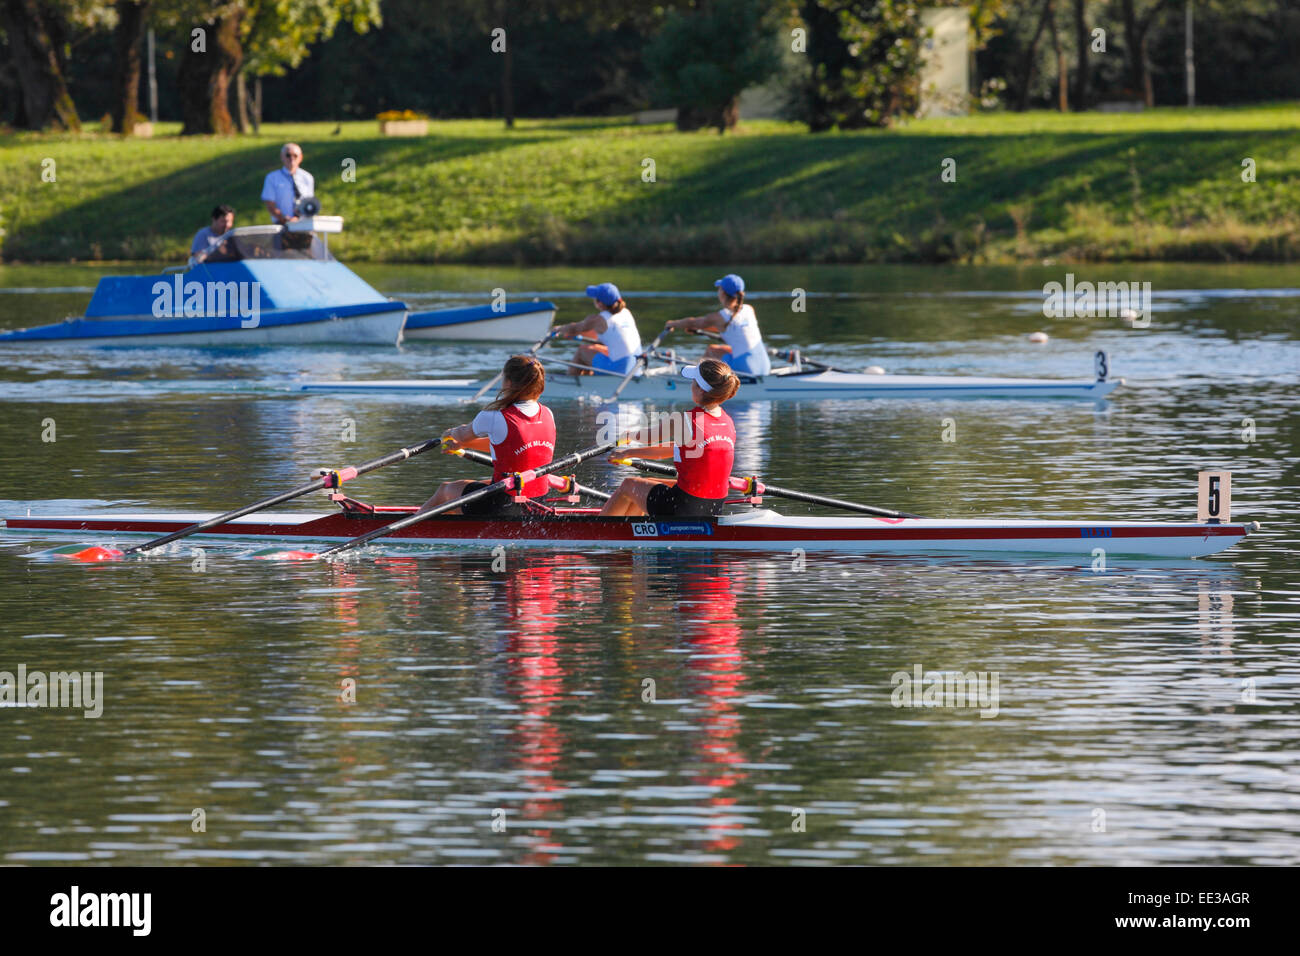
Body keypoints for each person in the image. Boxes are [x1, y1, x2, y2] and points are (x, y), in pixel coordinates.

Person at [600, 358, 739, 518]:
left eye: (693, 381)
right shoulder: (727, 421)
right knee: (650, 482)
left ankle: (599, 533)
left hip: (682, 508)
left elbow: (649, 436)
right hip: (714, 506)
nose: (691, 385)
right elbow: (677, 447)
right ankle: (632, 531)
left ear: (701, 390)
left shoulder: (685, 420)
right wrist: (629, 453)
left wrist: (629, 435)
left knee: (628, 485)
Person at [422, 355, 556, 516]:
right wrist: (465, 446)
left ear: (508, 383)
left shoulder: (494, 416)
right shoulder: (547, 414)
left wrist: (450, 433)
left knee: (445, 490)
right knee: (478, 485)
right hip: (538, 502)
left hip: (501, 504)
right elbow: (511, 445)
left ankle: (410, 531)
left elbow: (463, 435)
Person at [664, 273, 772, 377]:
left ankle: (696, 378)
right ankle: (702, 373)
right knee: (724, 348)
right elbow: (732, 329)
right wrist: (696, 328)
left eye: (719, 288)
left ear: (723, 293)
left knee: (711, 350)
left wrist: (672, 323)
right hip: (765, 366)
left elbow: (693, 322)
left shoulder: (718, 317)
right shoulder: (749, 309)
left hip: (745, 368)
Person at [552, 282, 642, 376]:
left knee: (582, 351)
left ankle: (569, 384)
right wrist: (578, 334)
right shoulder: (626, 313)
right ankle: (589, 381)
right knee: (596, 348)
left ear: (600, 303)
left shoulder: (598, 320)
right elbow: (601, 336)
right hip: (636, 367)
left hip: (619, 369)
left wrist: (559, 329)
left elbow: (574, 329)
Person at [261, 143, 314, 226]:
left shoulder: (307, 177)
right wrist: (285, 219)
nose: (291, 158)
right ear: (282, 157)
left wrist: (298, 218)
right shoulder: (272, 178)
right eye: (288, 155)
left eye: (295, 155)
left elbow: (309, 202)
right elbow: (270, 204)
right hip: (281, 225)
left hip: (303, 224)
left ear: (301, 157)